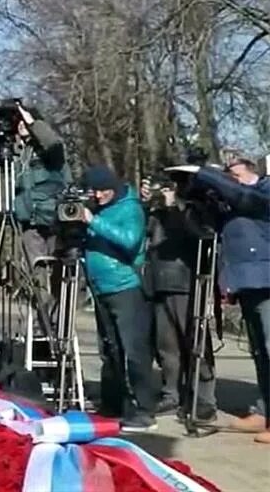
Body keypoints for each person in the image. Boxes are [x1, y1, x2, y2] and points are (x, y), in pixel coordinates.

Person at [177, 155, 270, 444]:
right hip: (247, 282)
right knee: (260, 352)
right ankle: (264, 411)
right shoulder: (232, 200)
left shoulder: (262, 191)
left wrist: (206, 173)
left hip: (266, 279)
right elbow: (205, 226)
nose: (230, 179)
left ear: (251, 172)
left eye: (234, 174)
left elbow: (243, 197)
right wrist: (193, 190)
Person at [79, 165, 157, 432]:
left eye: (102, 190)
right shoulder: (99, 206)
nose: (98, 195)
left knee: (133, 350)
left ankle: (144, 410)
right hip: (102, 287)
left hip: (126, 286)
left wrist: (93, 221)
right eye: (94, 191)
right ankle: (113, 403)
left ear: (114, 187)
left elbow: (130, 241)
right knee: (110, 349)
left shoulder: (130, 208)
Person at [0, 104, 69, 308]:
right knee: (34, 274)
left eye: (24, 122)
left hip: (54, 219)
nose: (21, 125)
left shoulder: (49, 150)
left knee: (58, 272)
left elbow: (53, 144)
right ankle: (42, 320)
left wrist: (32, 120)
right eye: (19, 123)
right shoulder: (17, 153)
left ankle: (59, 319)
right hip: (28, 222)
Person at [142, 180, 216, 421]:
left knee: (195, 343)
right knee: (166, 346)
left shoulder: (197, 210)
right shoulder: (156, 213)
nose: (165, 192)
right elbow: (142, 236)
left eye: (170, 187)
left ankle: (203, 398)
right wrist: (146, 204)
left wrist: (175, 208)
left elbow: (199, 235)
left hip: (187, 284)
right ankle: (171, 393)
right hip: (159, 283)